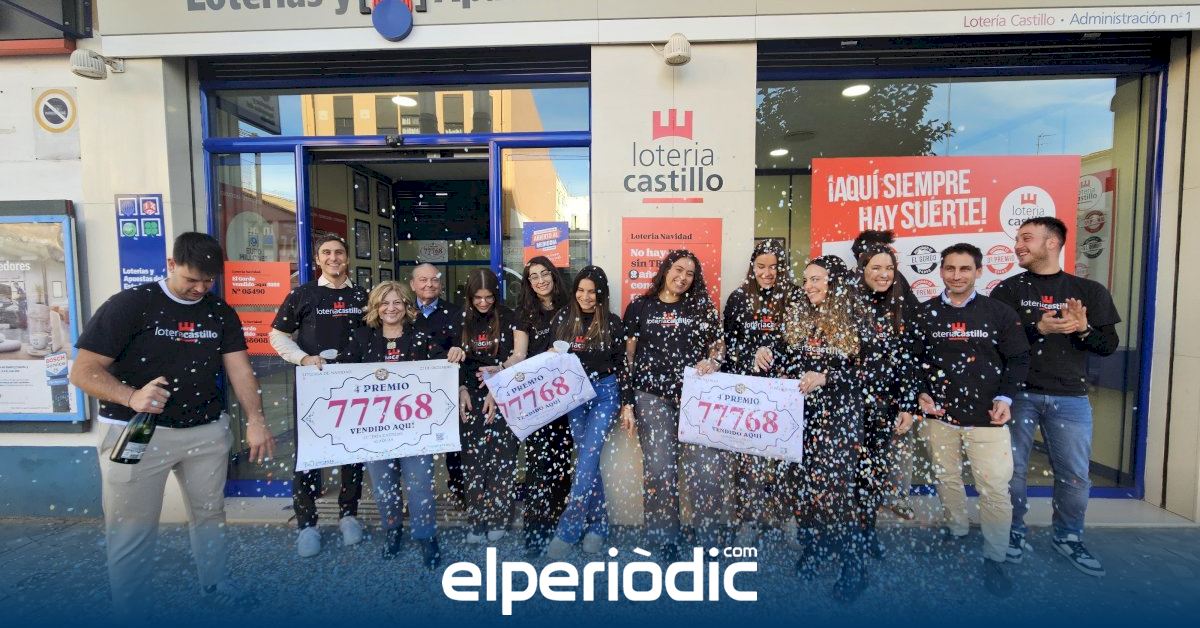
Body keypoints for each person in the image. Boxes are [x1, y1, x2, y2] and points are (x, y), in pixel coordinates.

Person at [71, 232, 275, 619]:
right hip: (136, 432)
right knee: (132, 527)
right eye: (191, 279)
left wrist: (256, 420)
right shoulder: (131, 305)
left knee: (210, 513)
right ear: (171, 265)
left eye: (208, 281)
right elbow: (83, 371)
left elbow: (239, 369)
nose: (199, 289)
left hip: (205, 430)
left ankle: (216, 585)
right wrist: (130, 395)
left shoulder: (219, 312)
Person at [991, 216, 1121, 577]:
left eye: (1026, 238)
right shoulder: (1008, 290)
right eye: (1018, 239)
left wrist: (1084, 328)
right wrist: (1038, 328)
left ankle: (1068, 537)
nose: (1018, 245)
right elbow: (995, 344)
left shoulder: (1089, 291)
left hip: (1071, 398)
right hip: (1017, 395)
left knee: (1075, 475)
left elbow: (1108, 346)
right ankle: (1013, 533)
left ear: (1052, 242)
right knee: (1011, 473)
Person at [913, 243, 1030, 598]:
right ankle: (957, 528)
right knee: (946, 477)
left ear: (979, 272)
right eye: (950, 268)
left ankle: (995, 557)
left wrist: (1006, 398)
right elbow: (911, 361)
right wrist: (920, 392)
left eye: (965, 269)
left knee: (994, 489)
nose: (957, 275)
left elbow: (1019, 359)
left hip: (987, 417)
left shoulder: (999, 312)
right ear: (941, 271)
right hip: (939, 416)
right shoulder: (925, 314)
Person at [768, 255, 875, 602]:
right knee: (803, 488)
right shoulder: (799, 316)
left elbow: (871, 372)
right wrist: (765, 352)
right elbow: (785, 357)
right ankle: (815, 547)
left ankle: (854, 565)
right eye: (806, 280)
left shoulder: (858, 318)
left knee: (834, 493)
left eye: (816, 279)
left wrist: (828, 377)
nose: (809, 286)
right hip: (800, 417)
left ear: (836, 284)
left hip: (839, 417)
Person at [344, 281, 459, 568]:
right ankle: (392, 529)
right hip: (375, 430)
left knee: (420, 485)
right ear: (376, 307)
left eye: (397, 302)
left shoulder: (420, 337)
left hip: (415, 431)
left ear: (407, 307)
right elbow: (343, 374)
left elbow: (441, 369)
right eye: (384, 303)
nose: (391, 308)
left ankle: (426, 534)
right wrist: (318, 367)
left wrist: (454, 355)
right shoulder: (362, 338)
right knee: (384, 487)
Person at [620, 249, 725, 561]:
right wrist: (627, 403)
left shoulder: (701, 307)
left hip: (695, 398)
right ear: (666, 269)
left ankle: (708, 538)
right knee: (660, 471)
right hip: (651, 398)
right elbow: (627, 359)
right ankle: (664, 538)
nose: (682, 278)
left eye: (690, 273)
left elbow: (718, 348)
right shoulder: (640, 306)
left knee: (706, 471)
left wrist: (713, 362)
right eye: (678, 270)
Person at [269, 233, 369, 558]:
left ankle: (348, 515)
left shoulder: (362, 295)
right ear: (317, 259)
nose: (333, 257)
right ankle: (307, 524)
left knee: (352, 451)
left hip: (354, 388)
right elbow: (277, 335)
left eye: (339, 252)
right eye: (326, 253)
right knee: (309, 455)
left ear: (348, 258)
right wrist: (303, 358)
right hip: (314, 389)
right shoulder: (302, 294)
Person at [545, 266, 626, 558]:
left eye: (592, 292)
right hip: (574, 395)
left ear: (601, 294)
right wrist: (552, 356)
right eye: (581, 290)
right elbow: (552, 358)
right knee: (587, 461)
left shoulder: (612, 323)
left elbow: (622, 365)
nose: (586, 297)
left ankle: (568, 529)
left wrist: (627, 403)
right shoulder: (563, 319)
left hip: (605, 393)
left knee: (587, 457)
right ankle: (598, 526)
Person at [722, 239, 796, 546]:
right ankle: (748, 521)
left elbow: (801, 343)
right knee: (749, 461)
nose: (767, 273)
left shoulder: (794, 297)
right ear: (752, 267)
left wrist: (780, 358)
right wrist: (750, 355)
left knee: (785, 458)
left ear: (782, 268)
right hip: (749, 391)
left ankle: (786, 519)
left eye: (773, 267)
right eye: (761, 266)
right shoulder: (739, 298)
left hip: (785, 391)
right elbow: (727, 345)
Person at [854, 244, 920, 557]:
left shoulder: (901, 306)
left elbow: (909, 359)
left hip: (884, 406)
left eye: (889, 268)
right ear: (862, 271)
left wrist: (907, 404)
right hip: (847, 404)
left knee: (874, 471)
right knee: (847, 471)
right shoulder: (846, 304)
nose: (883, 275)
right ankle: (840, 531)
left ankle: (866, 531)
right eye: (876, 268)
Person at [458, 268, 527, 543]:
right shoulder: (461, 319)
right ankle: (476, 520)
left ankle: (499, 516)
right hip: (470, 396)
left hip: (505, 393)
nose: (483, 302)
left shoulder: (511, 317)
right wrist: (461, 387)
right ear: (470, 297)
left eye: (488, 297)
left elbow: (519, 355)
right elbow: (453, 359)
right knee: (473, 461)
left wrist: (497, 384)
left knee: (503, 458)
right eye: (478, 298)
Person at [514, 257, 574, 557]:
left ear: (553, 275)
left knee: (562, 463)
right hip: (537, 399)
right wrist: (503, 368)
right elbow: (519, 354)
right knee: (538, 464)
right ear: (528, 282)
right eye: (533, 276)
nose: (540, 280)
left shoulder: (571, 307)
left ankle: (559, 526)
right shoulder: (525, 313)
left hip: (566, 395)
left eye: (544, 274)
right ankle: (535, 531)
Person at [409, 263, 466, 503]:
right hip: (410, 393)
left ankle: (459, 492)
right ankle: (417, 497)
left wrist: (458, 350)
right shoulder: (402, 311)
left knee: (453, 444)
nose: (429, 284)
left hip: (445, 389)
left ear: (441, 284)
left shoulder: (455, 312)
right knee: (414, 446)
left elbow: (463, 346)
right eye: (423, 280)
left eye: (434, 280)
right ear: (412, 284)